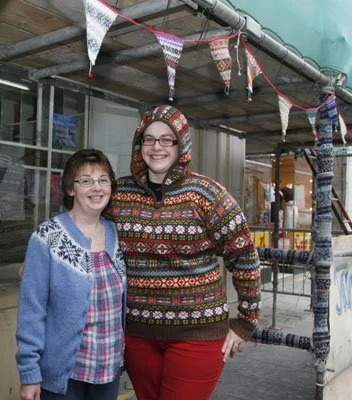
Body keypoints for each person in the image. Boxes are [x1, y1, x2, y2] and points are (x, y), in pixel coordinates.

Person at [106, 105, 261, 400]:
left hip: (197, 335)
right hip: (138, 333)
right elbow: (84, 223)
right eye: (149, 139)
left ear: (182, 145)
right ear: (139, 144)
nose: (157, 147)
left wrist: (245, 322)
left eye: (167, 139)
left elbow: (244, 257)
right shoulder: (118, 194)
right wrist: (47, 255)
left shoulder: (207, 194)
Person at [16, 149, 126, 400]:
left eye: (103, 180)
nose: (96, 188)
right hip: (65, 375)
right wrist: (29, 373)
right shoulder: (47, 236)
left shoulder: (115, 233)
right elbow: (31, 310)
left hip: (108, 370)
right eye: (86, 181)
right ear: (70, 189)